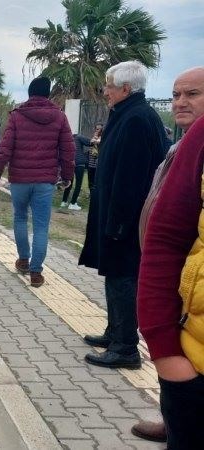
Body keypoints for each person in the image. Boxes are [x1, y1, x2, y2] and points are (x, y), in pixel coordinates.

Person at [78, 61, 168, 370]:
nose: (105, 92)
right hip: (116, 215)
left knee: (124, 279)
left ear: (126, 89)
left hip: (126, 220)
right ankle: (114, 332)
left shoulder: (137, 120)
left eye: (109, 87)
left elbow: (131, 178)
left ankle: (126, 347)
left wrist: (117, 222)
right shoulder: (126, 114)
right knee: (114, 275)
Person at [132, 66, 204, 445]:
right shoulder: (184, 146)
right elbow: (168, 231)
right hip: (178, 284)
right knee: (179, 358)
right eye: (176, 94)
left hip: (186, 284)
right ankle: (172, 417)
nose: (179, 102)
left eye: (191, 94)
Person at [0, 76, 75, 287]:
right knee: (41, 227)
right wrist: (67, 176)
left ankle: (23, 260)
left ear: (29, 92)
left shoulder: (17, 116)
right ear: (48, 94)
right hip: (45, 181)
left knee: (19, 218)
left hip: (19, 179)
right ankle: (36, 273)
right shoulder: (60, 117)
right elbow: (68, 150)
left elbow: (5, 148)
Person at [60, 133, 92, 210]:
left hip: (70, 163)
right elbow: (89, 142)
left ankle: (64, 202)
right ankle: (73, 203)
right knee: (78, 184)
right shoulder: (79, 136)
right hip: (79, 163)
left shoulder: (68, 139)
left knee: (69, 183)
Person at [86, 123, 102, 192]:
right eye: (97, 129)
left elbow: (99, 142)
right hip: (91, 164)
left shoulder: (103, 138)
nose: (98, 130)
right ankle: (91, 193)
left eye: (100, 129)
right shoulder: (93, 138)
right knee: (90, 180)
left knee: (97, 182)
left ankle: (95, 193)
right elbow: (91, 143)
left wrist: (97, 140)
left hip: (99, 165)